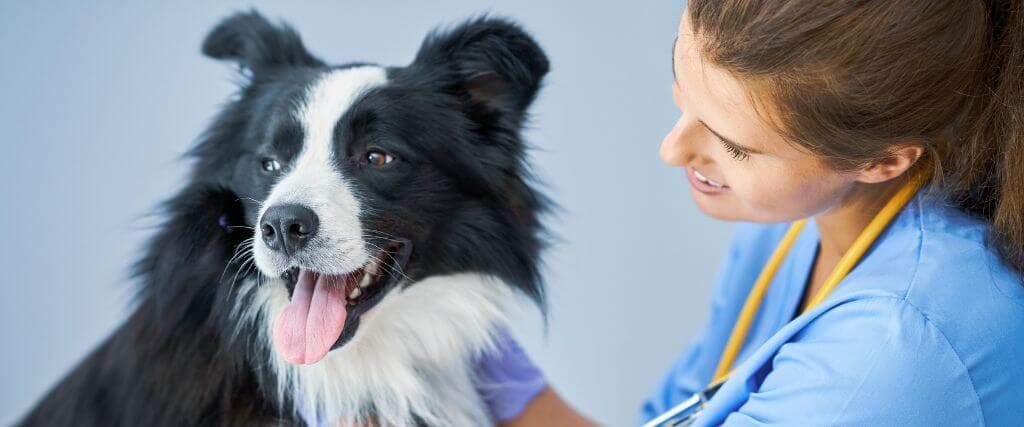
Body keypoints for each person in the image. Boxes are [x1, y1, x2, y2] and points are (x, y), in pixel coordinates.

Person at [474, 1, 1024, 425]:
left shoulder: (899, 353)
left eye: (734, 145)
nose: (671, 149)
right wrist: (477, 364)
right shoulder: (787, 234)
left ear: (882, 160)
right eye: (683, 90)